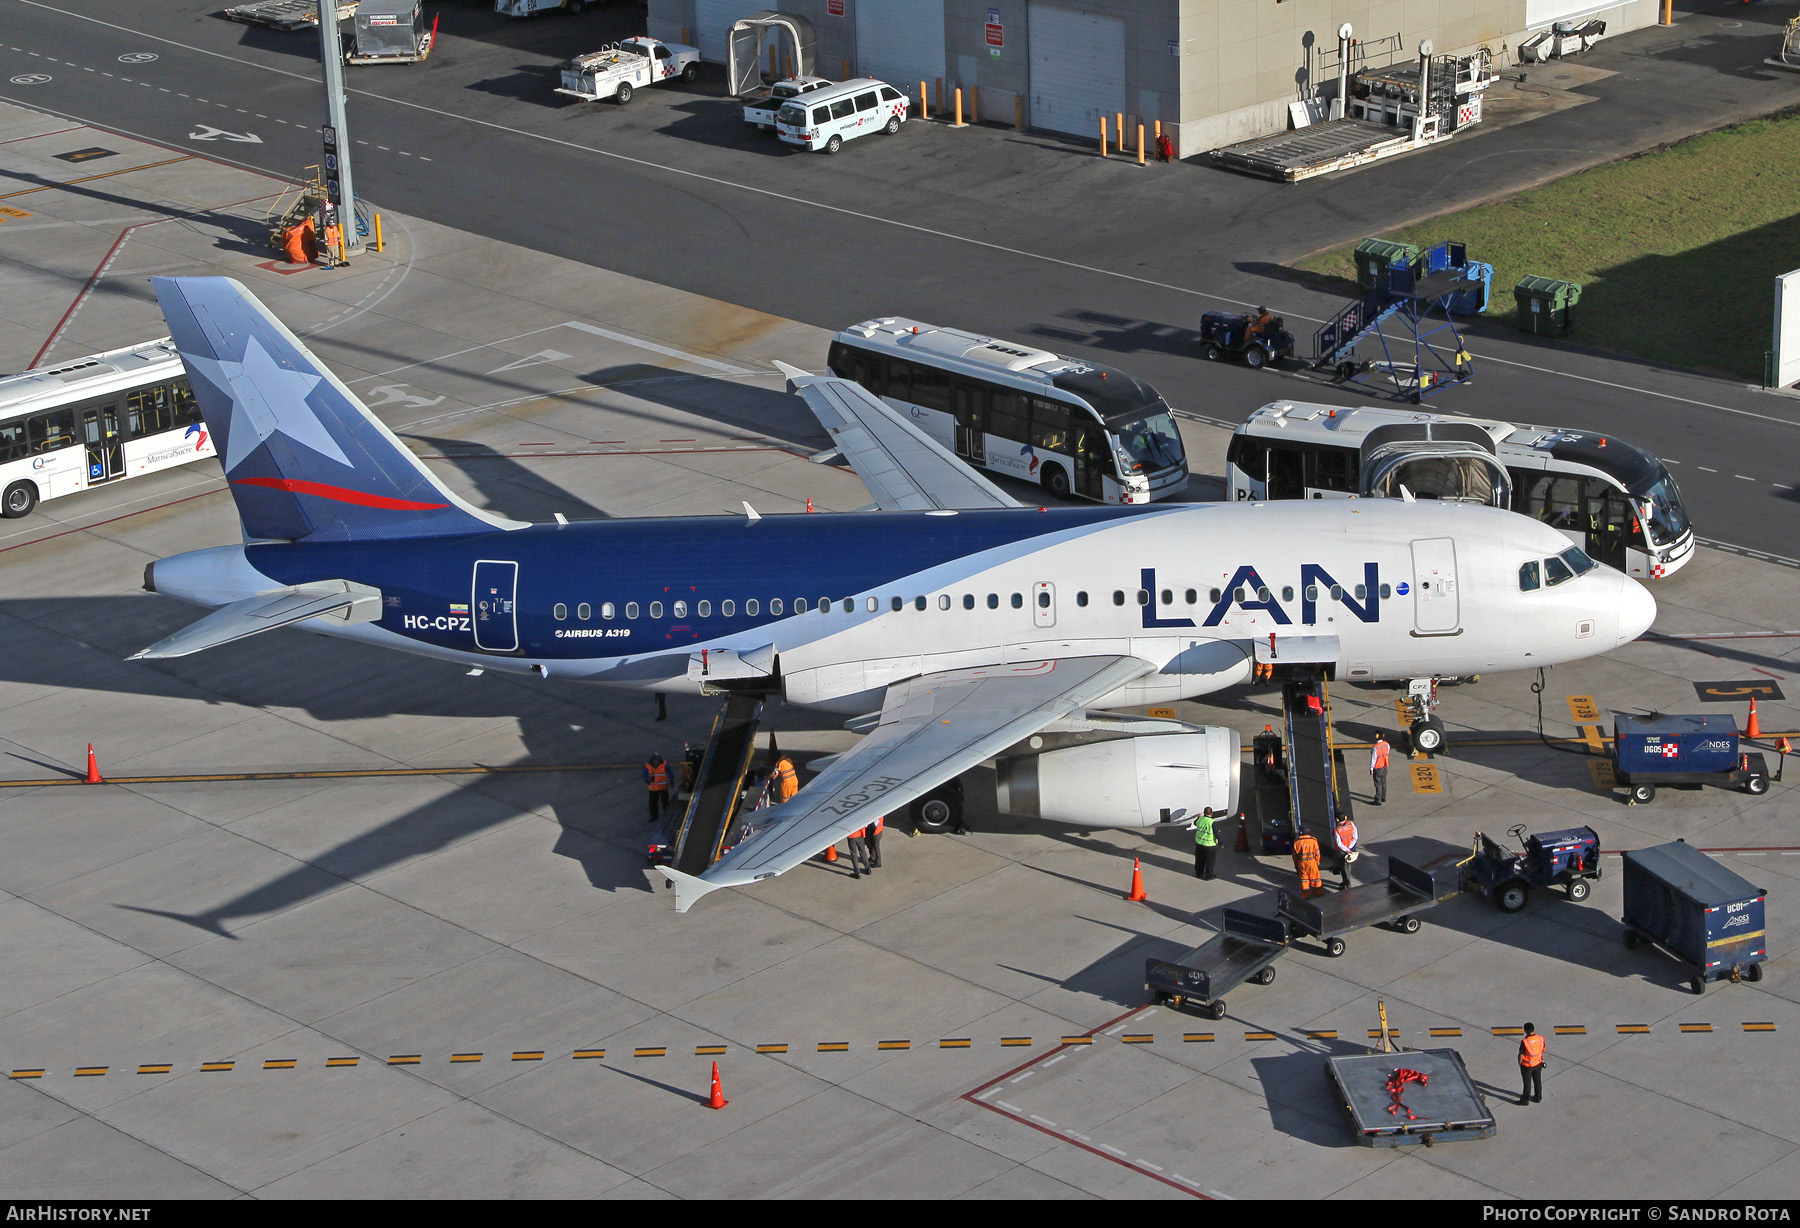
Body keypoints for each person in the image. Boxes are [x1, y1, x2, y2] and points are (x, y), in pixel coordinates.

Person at [1518, 1022, 1545, 1105]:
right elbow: (1542, 1050)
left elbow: (1521, 1055)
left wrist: (1520, 1064)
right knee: (1537, 1081)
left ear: (1525, 1031)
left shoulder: (1525, 1041)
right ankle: (1538, 1097)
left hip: (1527, 1066)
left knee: (1527, 1084)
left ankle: (1525, 1100)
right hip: (1538, 1063)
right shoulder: (1540, 1038)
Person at [1292, 827, 1322, 897]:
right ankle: (1319, 894)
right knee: (1315, 879)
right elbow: (1317, 853)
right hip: (1312, 863)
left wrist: (1296, 865)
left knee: (1304, 880)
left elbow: (1294, 856)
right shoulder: (1313, 840)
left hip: (1302, 864)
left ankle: (1305, 896)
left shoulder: (1297, 842)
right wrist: (1317, 862)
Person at [1331, 814, 1359, 888]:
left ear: (1337, 820)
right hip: (1350, 848)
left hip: (1341, 851)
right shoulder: (1351, 824)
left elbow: (1339, 843)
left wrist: (1346, 849)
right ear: (1346, 818)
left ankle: (1347, 884)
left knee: (1344, 868)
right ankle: (1345, 882)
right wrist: (1350, 847)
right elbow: (1355, 837)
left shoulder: (1337, 830)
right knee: (1347, 866)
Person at [643, 753, 670, 824]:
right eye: (655, 760)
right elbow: (644, 774)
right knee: (652, 804)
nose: (656, 761)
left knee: (665, 802)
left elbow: (670, 772)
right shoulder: (647, 766)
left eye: (657, 760)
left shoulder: (665, 765)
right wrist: (646, 780)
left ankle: (667, 815)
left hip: (663, 787)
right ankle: (654, 816)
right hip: (653, 788)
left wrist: (671, 779)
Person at [1192, 807, 1219, 880]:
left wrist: (1198, 818)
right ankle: (1209, 876)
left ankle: (1199, 873)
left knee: (1199, 860)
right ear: (1212, 814)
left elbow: (1195, 823)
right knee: (1210, 862)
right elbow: (1217, 834)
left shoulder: (1200, 820)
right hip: (1210, 846)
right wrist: (1221, 842)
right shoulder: (1213, 822)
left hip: (1199, 844)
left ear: (1204, 813)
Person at [1370, 734, 1391, 806]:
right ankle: (1383, 797)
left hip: (1378, 767)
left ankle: (1378, 800)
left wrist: (1371, 769)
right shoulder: (1386, 744)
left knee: (1378, 783)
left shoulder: (1375, 747)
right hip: (1384, 766)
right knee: (1384, 781)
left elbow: (1373, 759)